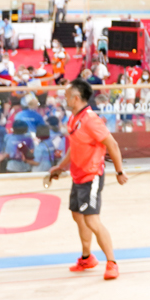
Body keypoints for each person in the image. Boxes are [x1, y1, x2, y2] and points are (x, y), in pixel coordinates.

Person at [44, 80, 126, 279]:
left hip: (91, 176)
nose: (64, 99)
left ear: (76, 98)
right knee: (78, 216)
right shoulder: (74, 118)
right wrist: (60, 167)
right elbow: (75, 147)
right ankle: (87, 257)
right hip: (77, 176)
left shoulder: (90, 119)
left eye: (66, 95)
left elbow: (112, 145)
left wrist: (119, 171)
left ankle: (112, 262)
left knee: (91, 220)